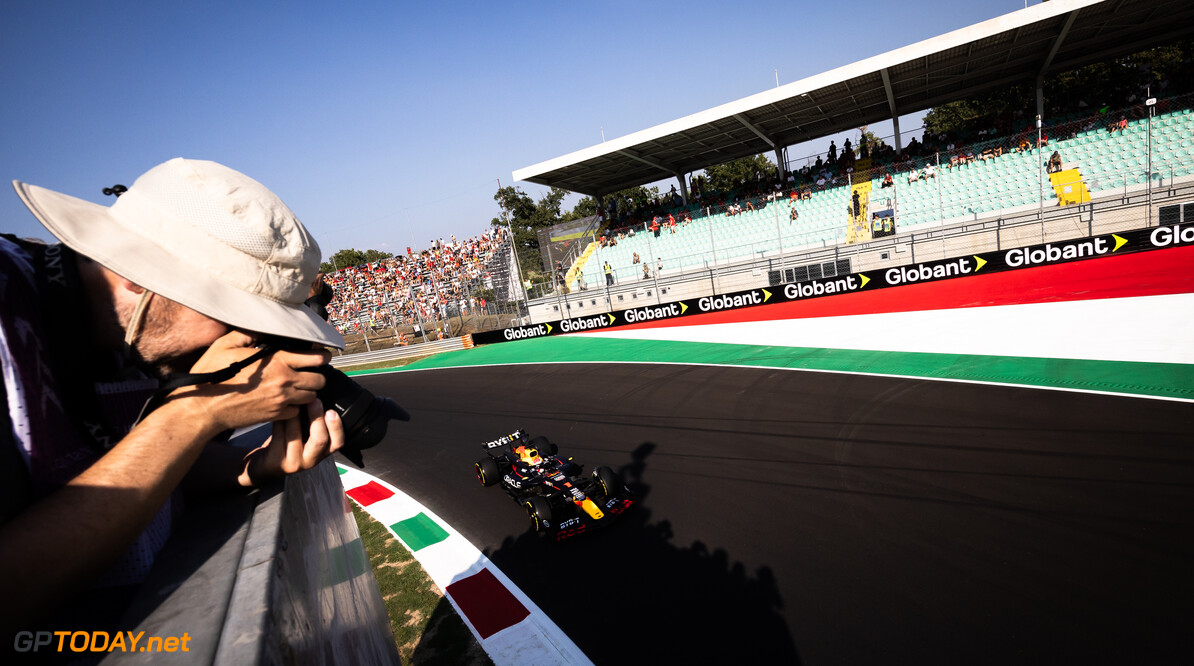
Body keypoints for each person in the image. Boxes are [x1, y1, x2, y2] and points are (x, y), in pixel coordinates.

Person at [0, 158, 347, 629]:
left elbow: (136, 469)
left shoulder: (141, 335)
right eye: (234, 316)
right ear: (140, 273)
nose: (241, 341)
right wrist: (195, 413)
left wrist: (247, 467)